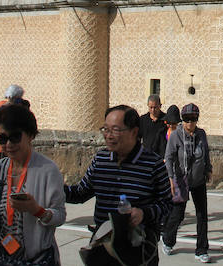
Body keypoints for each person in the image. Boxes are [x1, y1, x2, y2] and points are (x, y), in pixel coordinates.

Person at [64, 105, 172, 264]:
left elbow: (167, 205)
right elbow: (80, 193)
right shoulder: (100, 160)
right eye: (105, 129)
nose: (108, 135)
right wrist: (52, 190)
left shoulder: (153, 164)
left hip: (137, 251)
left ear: (134, 132)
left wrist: (144, 213)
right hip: (103, 249)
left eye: (115, 130)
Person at [0, 104, 66, 265]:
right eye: (2, 138)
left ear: (30, 135)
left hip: (35, 260)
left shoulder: (48, 170)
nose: (8, 144)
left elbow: (59, 216)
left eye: (15, 137)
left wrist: (37, 210)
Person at [162, 103, 212, 262]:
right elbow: (169, 158)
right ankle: (168, 240)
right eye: (187, 119)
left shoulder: (201, 134)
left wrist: (208, 169)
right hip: (181, 179)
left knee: (202, 215)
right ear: (182, 120)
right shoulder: (176, 135)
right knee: (178, 214)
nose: (190, 122)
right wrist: (170, 178)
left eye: (193, 119)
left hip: (198, 179)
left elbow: (206, 152)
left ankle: (202, 249)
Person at [139, 94, 169, 159]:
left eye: (155, 107)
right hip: (146, 156)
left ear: (160, 106)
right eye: (151, 107)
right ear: (148, 106)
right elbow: (138, 137)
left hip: (161, 157)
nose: (153, 110)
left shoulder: (166, 120)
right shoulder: (143, 120)